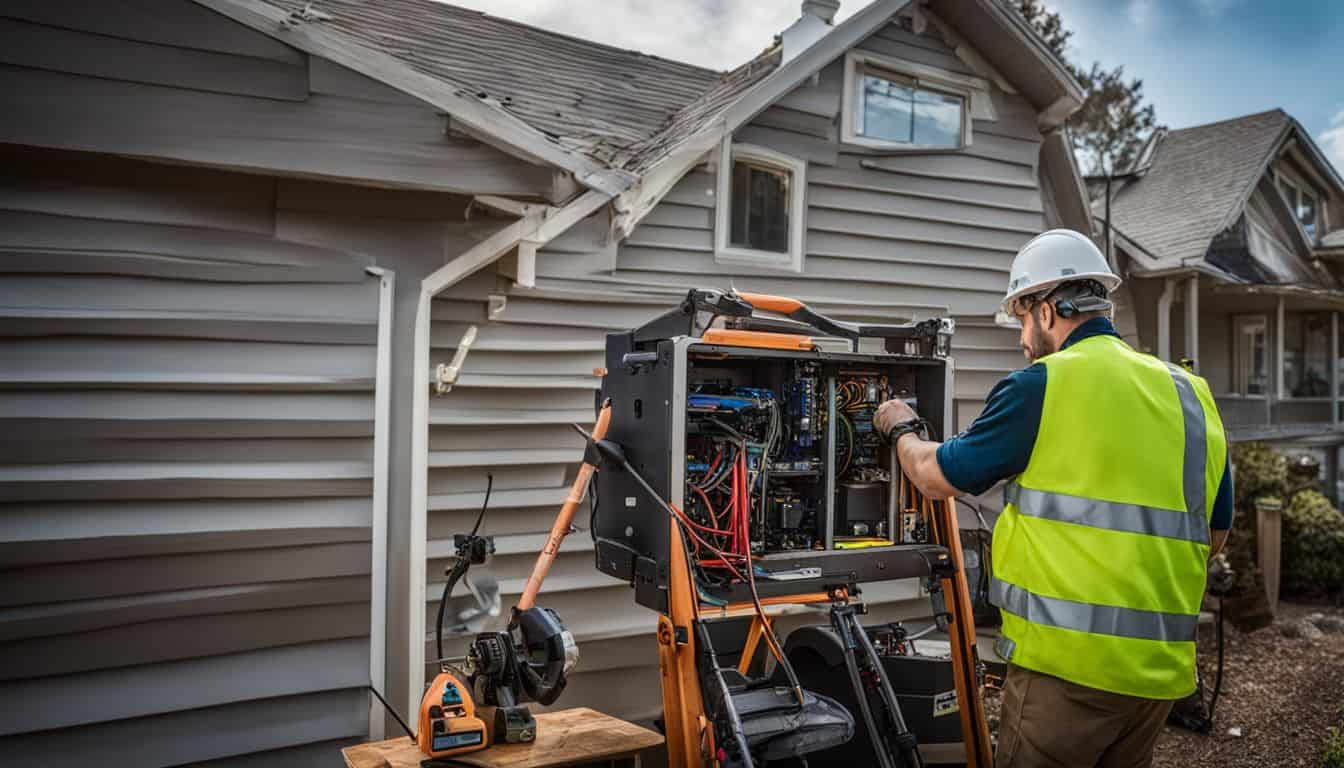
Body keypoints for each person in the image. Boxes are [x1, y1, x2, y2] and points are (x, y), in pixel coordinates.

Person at [874, 229, 1233, 768]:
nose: (1022, 337)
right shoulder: (1189, 392)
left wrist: (900, 427)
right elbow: (1215, 530)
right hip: (1160, 675)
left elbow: (935, 476)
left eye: (1022, 318)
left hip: (1068, 674)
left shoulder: (1041, 385)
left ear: (1046, 310)